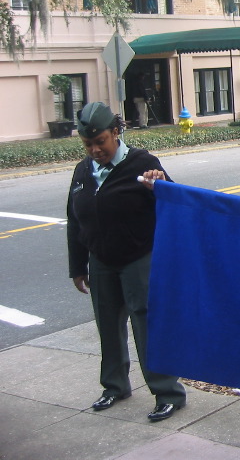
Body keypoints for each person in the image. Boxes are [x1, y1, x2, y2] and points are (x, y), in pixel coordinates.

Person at [67, 102, 185, 422]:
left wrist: (159, 185)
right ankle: (115, 386)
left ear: (116, 133)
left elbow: (173, 201)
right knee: (108, 326)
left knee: (147, 326)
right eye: (88, 144)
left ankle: (167, 392)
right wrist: (78, 266)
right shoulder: (82, 171)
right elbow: (75, 221)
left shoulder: (143, 162)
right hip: (101, 260)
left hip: (138, 258)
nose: (94, 149)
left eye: (100, 141)